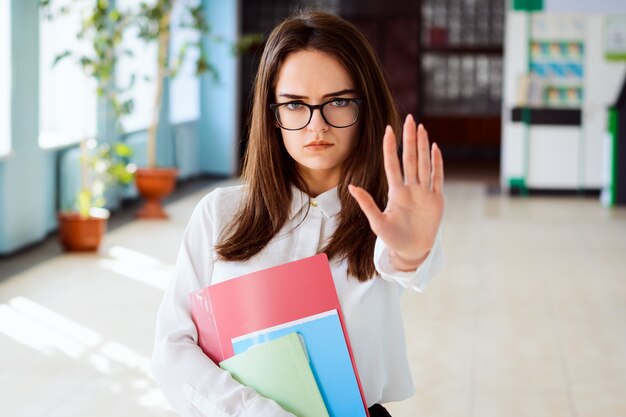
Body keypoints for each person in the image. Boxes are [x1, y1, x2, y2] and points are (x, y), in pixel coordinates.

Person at [151, 10, 444, 417]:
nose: (316, 126)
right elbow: (171, 349)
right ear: (272, 114)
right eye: (294, 104)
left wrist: (413, 253)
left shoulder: (387, 219)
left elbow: (406, 263)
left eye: (338, 102)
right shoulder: (219, 214)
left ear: (366, 106)